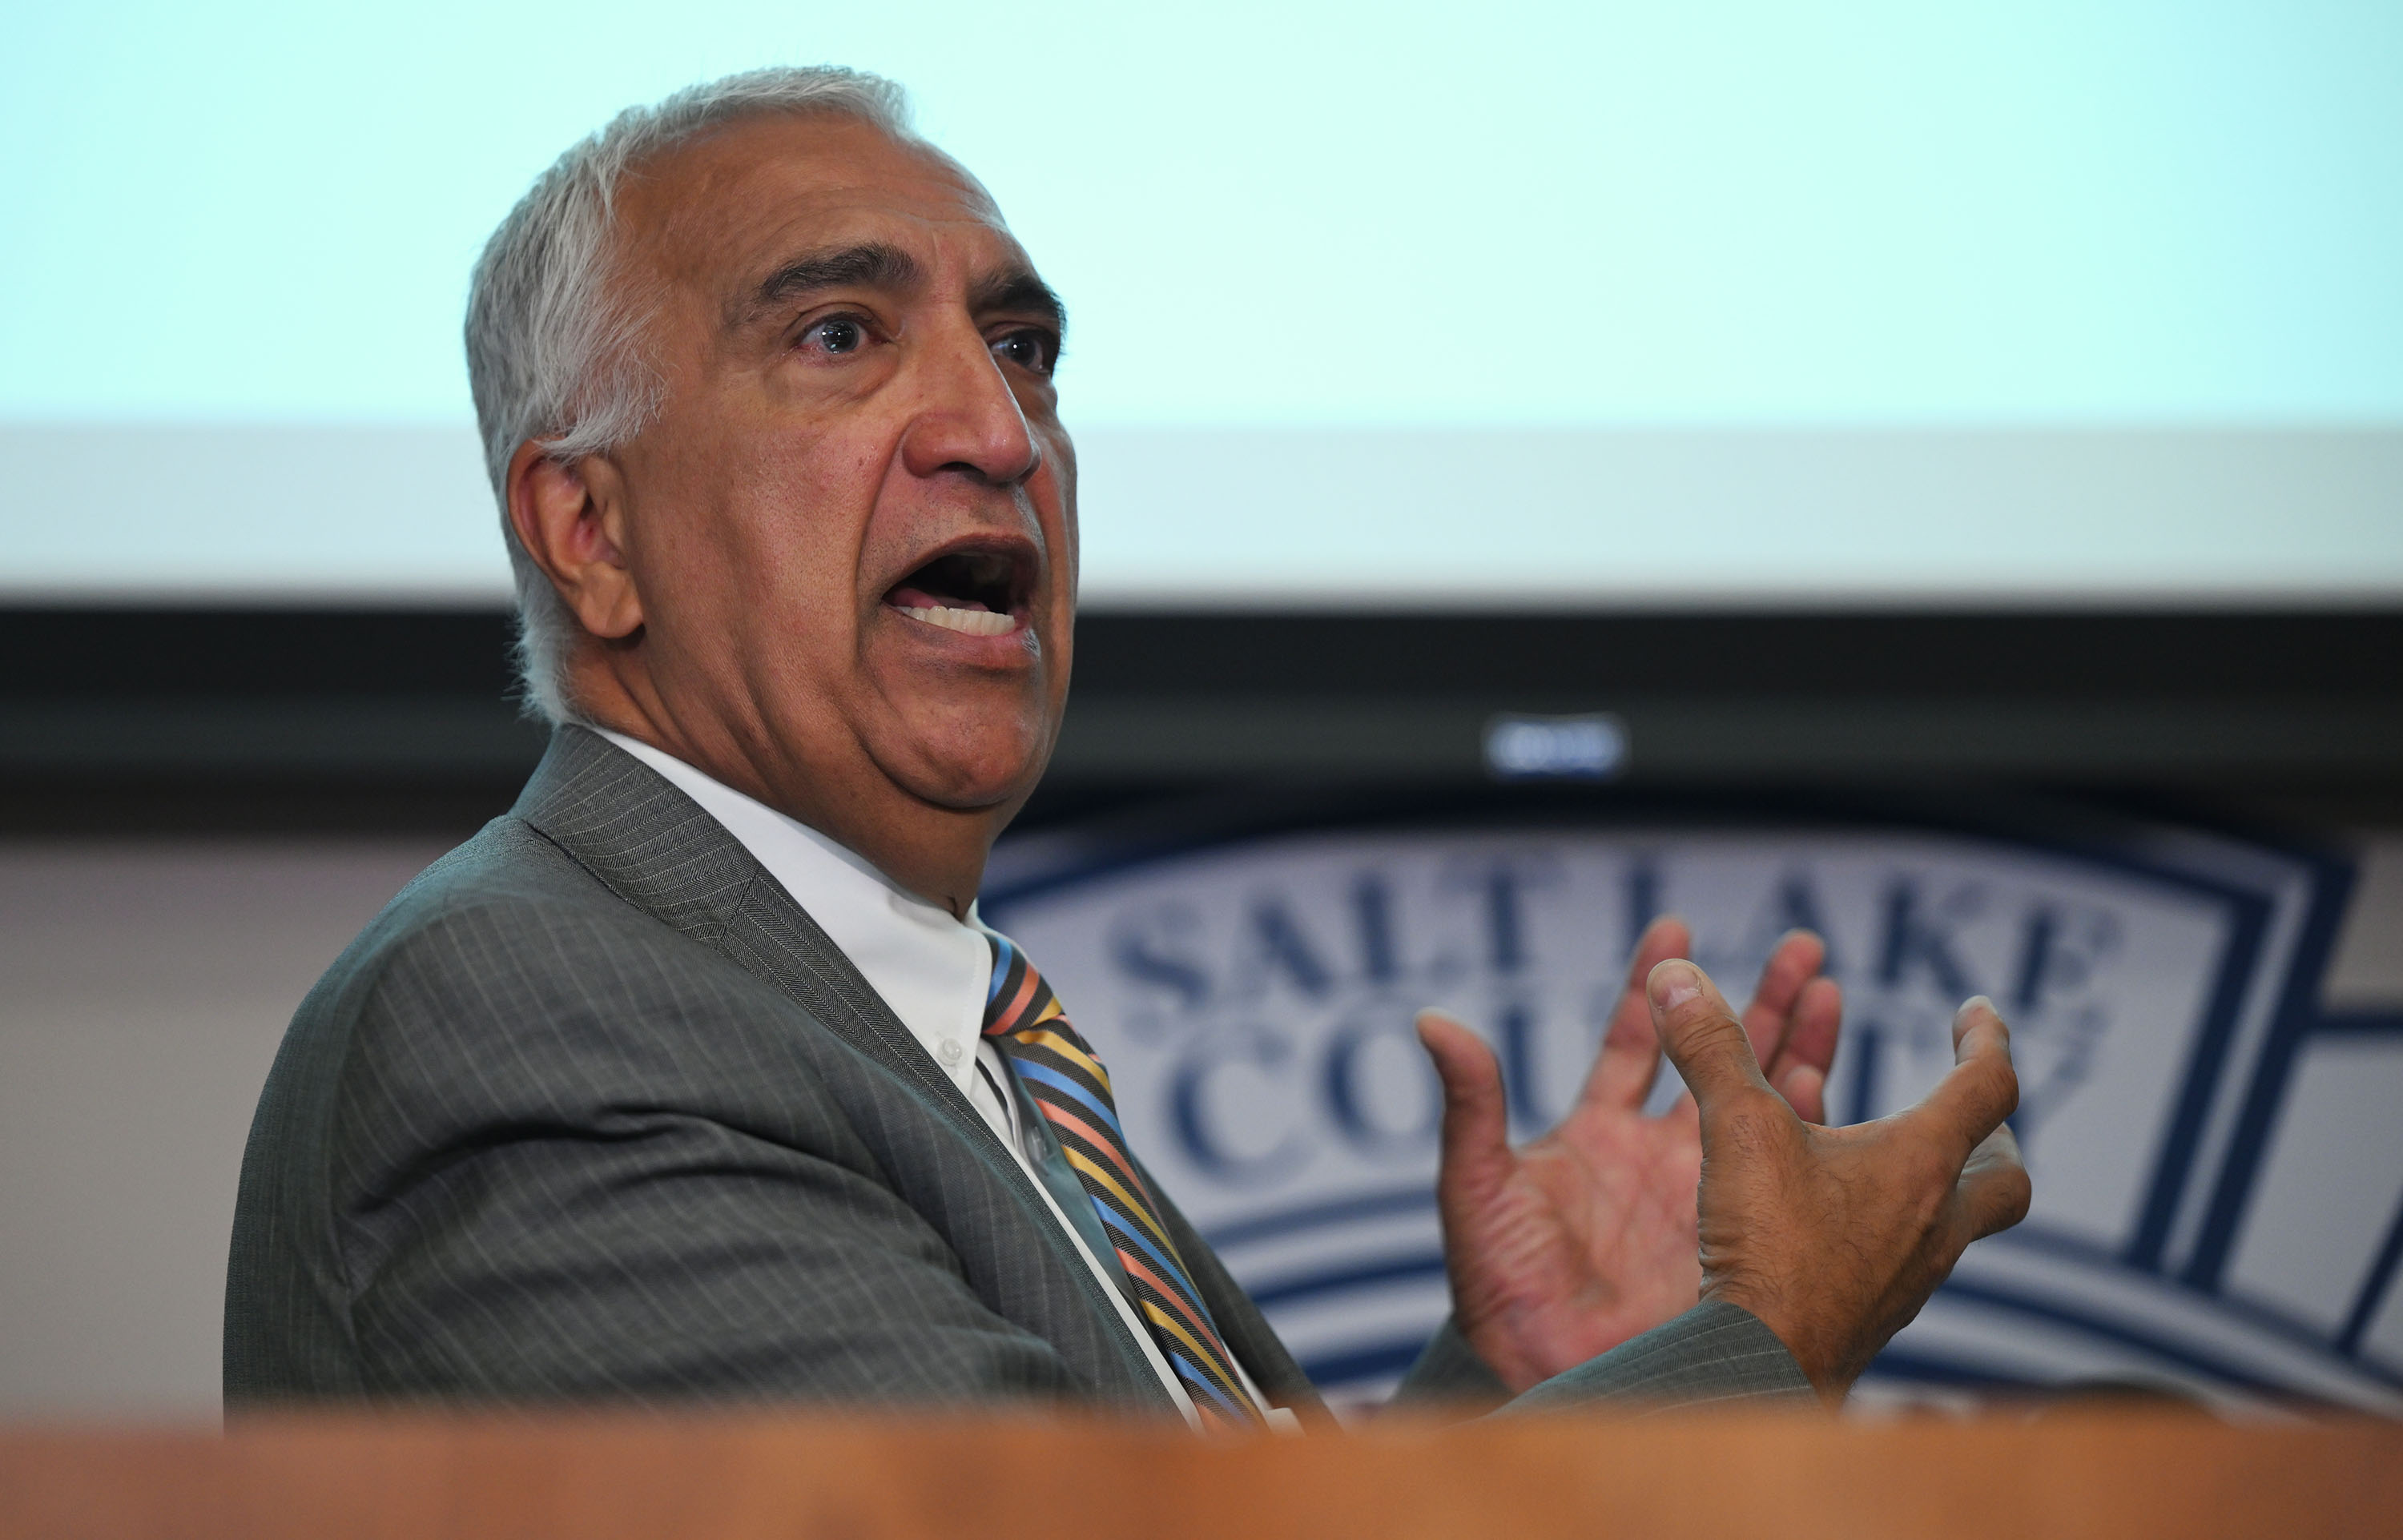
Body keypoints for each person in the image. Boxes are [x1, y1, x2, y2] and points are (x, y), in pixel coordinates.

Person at [225, 66, 2029, 1426]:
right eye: (842, 334)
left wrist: (1515, 1380)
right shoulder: (538, 1014)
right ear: (589, 533)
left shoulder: (909, 1019)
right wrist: (1755, 1346)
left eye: (1023, 348)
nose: (997, 428)